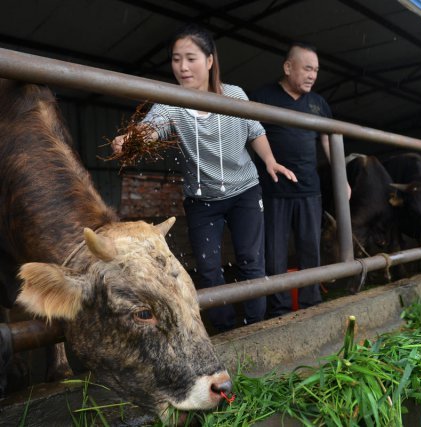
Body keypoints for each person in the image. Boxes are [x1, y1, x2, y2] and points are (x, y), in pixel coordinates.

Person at [112, 23, 297, 332]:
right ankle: (225, 331)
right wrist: (130, 140)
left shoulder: (234, 95)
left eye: (191, 58)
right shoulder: (169, 101)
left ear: (210, 61)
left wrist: (270, 161)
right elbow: (150, 127)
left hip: (244, 191)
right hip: (201, 199)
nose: (182, 67)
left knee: (252, 262)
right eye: (175, 59)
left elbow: (255, 131)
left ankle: (256, 326)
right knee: (209, 270)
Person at [250, 42, 349, 318]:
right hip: (273, 190)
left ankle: (311, 304)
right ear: (287, 67)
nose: (312, 75)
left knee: (310, 251)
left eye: (316, 70)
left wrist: (342, 177)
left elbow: (330, 141)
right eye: (307, 68)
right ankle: (279, 309)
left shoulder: (319, 104)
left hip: (309, 190)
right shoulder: (263, 97)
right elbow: (248, 132)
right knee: (275, 254)